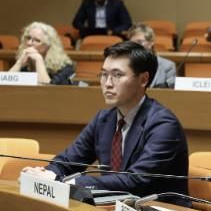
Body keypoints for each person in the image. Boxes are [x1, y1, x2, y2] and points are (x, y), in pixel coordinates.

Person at [21, 41, 189, 199]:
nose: (107, 83)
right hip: (116, 207)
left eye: (117, 75)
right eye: (104, 74)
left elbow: (135, 181)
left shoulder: (163, 125)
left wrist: (62, 182)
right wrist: (42, 175)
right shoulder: (103, 120)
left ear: (143, 79)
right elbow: (66, 162)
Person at [9, 22, 75, 85]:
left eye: (37, 40)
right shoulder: (25, 62)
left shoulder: (64, 68)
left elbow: (47, 91)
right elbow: (6, 85)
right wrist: (19, 63)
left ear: (48, 45)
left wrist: (39, 60)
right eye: (28, 38)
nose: (29, 43)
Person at [128, 23, 177, 88]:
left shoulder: (168, 66)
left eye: (139, 42)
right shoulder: (126, 65)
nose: (135, 46)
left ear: (151, 42)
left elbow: (170, 92)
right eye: (132, 43)